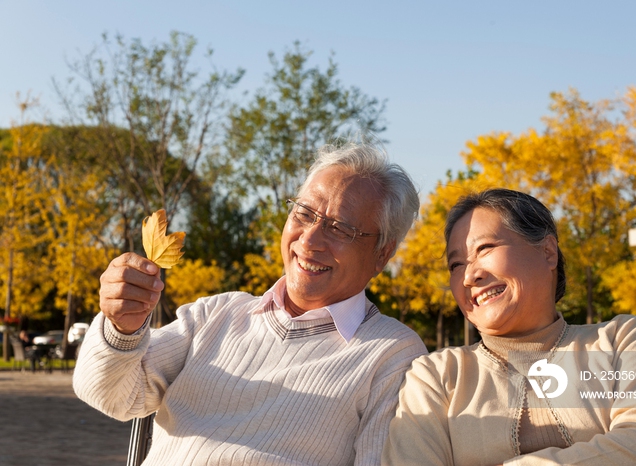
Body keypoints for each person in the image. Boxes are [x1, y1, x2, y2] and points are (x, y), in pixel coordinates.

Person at [73, 142, 428, 465]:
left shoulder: (393, 355)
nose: (310, 239)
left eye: (339, 228)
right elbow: (110, 396)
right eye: (304, 213)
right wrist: (122, 328)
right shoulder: (215, 315)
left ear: (382, 253)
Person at [382, 188, 636, 466]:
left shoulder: (624, 341)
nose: (468, 276)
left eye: (485, 248)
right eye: (455, 265)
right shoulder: (435, 375)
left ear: (548, 252)